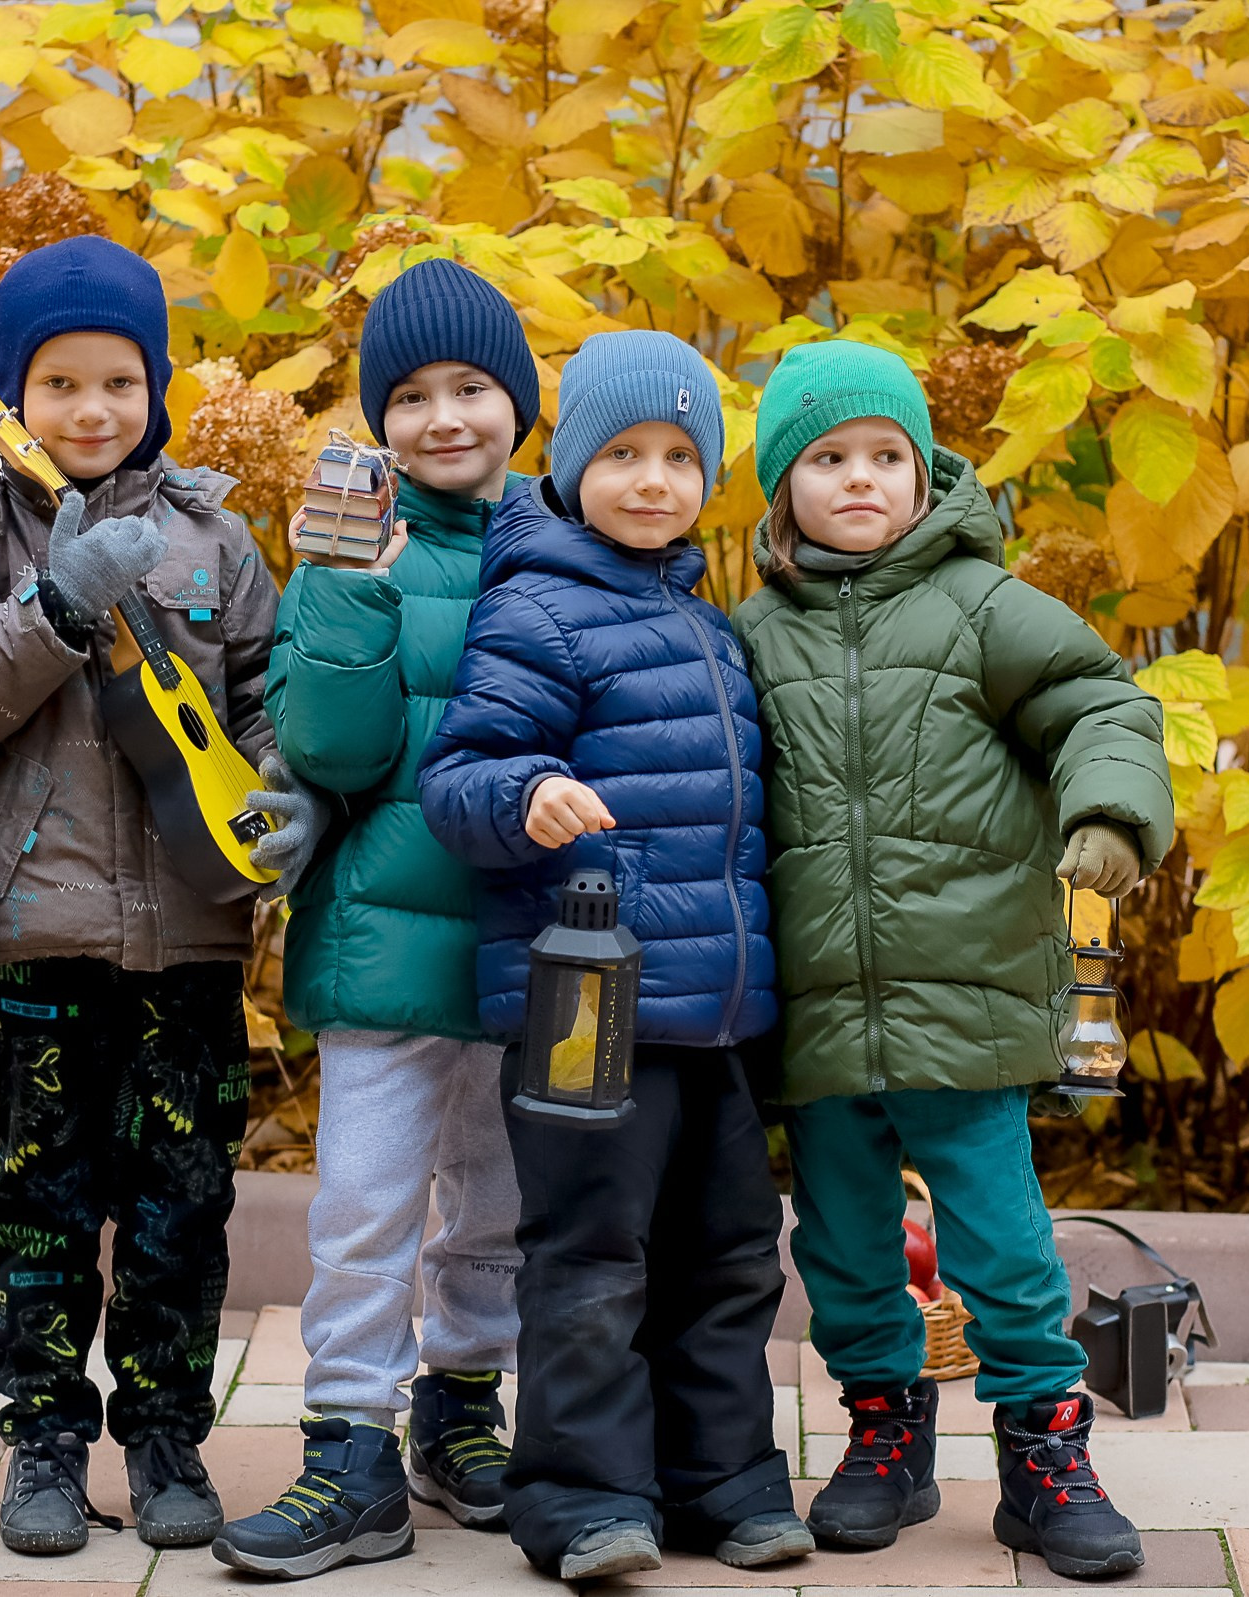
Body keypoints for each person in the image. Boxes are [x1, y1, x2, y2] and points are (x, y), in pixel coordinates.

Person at [0, 235, 323, 1557]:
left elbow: (262, 697)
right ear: (17, 388)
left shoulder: (210, 531)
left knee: (184, 1203)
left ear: (158, 386)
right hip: (37, 934)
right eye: (62, 382)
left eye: (121, 381)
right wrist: (56, 605)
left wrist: (283, 788)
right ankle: (43, 1441)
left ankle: (165, 1431)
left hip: (191, 931)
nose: (92, 410)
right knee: (39, 1200)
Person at [730, 340, 1175, 1581]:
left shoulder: (984, 606)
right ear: (782, 490)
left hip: (966, 991)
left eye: (888, 455)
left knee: (999, 1234)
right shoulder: (751, 636)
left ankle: (1046, 1446)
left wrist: (1108, 813)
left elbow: (1104, 704)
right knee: (843, 1241)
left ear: (926, 473)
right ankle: (886, 1431)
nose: (861, 479)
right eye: (827, 459)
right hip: (819, 1007)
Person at [418, 329, 814, 1582]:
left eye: (681, 458)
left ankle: (727, 1480)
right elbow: (460, 775)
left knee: (733, 1252)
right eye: (625, 455)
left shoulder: (708, 622)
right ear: (574, 463)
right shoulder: (538, 607)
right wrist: (526, 788)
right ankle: (585, 1498)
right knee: (592, 1256)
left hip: (717, 1013)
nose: (653, 481)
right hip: (591, 1004)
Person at [212, 259, 536, 1579]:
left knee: (497, 1202)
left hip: (518, 942)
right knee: (361, 1205)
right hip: (378, 945)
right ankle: (350, 1443)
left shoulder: (562, 544)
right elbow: (333, 752)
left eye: (473, 388)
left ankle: (463, 1407)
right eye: (411, 396)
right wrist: (342, 589)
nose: (445, 416)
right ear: (377, 420)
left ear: (519, 405)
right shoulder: (349, 556)